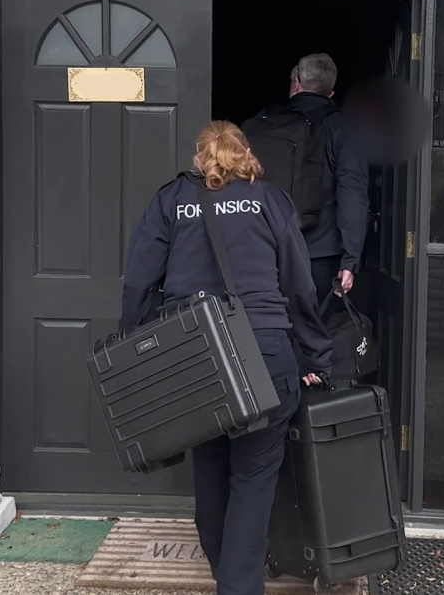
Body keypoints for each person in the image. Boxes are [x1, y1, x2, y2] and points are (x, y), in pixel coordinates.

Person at [120, 121, 333, 595]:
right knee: (254, 477)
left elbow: (138, 281)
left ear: (201, 157)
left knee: (210, 462)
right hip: (265, 350)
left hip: (195, 354)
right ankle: (238, 585)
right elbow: (299, 286)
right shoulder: (270, 199)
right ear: (246, 154)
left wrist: (134, 347)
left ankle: (224, 569)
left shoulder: (173, 199)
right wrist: (317, 353)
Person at [280, 54, 370, 305]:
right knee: (317, 332)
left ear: (296, 83)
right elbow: (352, 192)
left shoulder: (266, 121)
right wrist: (350, 259)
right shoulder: (345, 127)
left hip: (268, 252)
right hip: (321, 256)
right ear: (331, 92)